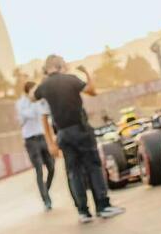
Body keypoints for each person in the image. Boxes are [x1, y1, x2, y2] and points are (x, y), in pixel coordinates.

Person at [35, 55, 124, 223]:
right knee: (93, 167)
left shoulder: (43, 87)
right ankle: (103, 206)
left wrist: (50, 143)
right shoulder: (70, 79)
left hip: (62, 134)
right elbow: (92, 90)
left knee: (73, 173)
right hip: (80, 129)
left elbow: (37, 104)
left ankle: (83, 212)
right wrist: (87, 73)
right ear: (60, 65)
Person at [16, 80, 55, 211]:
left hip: (42, 136)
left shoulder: (40, 100)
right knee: (39, 170)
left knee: (51, 167)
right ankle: (46, 200)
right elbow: (30, 115)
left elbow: (47, 113)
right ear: (28, 91)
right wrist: (34, 101)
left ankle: (45, 190)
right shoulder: (21, 104)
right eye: (33, 90)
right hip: (30, 140)